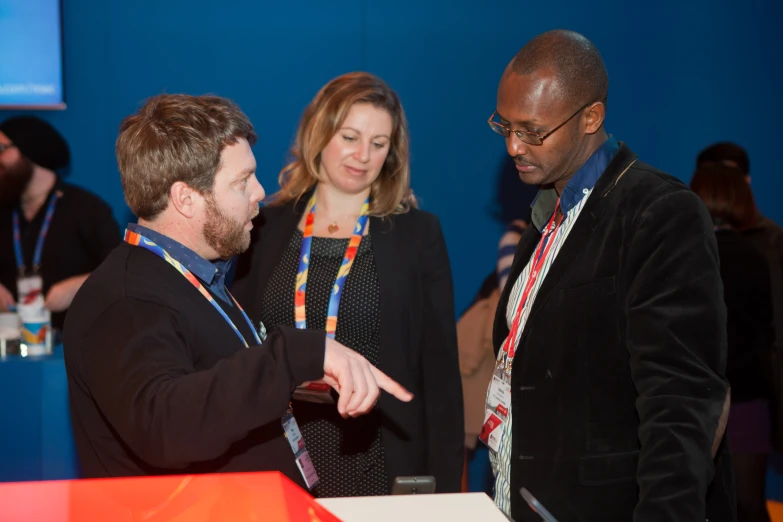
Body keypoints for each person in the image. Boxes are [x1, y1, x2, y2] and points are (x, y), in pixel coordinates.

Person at [63, 93, 412, 489]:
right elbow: (166, 424)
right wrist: (297, 354)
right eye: (242, 182)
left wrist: (300, 378)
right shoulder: (127, 300)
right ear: (185, 199)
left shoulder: (189, 277)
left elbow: (214, 386)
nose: (259, 192)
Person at [482, 30, 733, 521]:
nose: (513, 145)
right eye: (504, 126)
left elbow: (680, 401)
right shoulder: (546, 213)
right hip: (522, 498)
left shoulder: (659, 212)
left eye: (532, 130)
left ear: (591, 118)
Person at [232, 72, 464, 497]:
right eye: (350, 137)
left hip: (379, 456)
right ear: (319, 134)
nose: (363, 156)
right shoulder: (262, 227)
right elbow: (238, 347)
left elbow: (441, 377)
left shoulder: (417, 235)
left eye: (379, 144)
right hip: (278, 453)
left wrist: (446, 491)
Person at [691, 163, 774, 522]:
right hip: (748, 399)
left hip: (697, 399)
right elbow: (767, 333)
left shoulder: (688, 255)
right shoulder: (758, 257)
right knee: (751, 505)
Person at [0, 116, 120, 331]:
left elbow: (121, 270)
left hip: (71, 345)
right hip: (8, 346)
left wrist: (79, 286)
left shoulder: (87, 209)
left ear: (31, 152)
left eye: (2, 148)